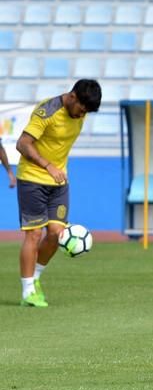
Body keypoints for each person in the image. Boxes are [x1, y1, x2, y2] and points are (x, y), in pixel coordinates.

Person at [15, 79, 102, 307]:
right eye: (81, 110)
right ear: (72, 97)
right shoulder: (47, 111)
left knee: (56, 234)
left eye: (86, 113)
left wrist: (56, 169)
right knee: (33, 235)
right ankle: (27, 291)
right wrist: (48, 165)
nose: (82, 115)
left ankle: (34, 280)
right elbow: (22, 144)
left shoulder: (79, 112)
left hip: (59, 181)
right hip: (33, 178)